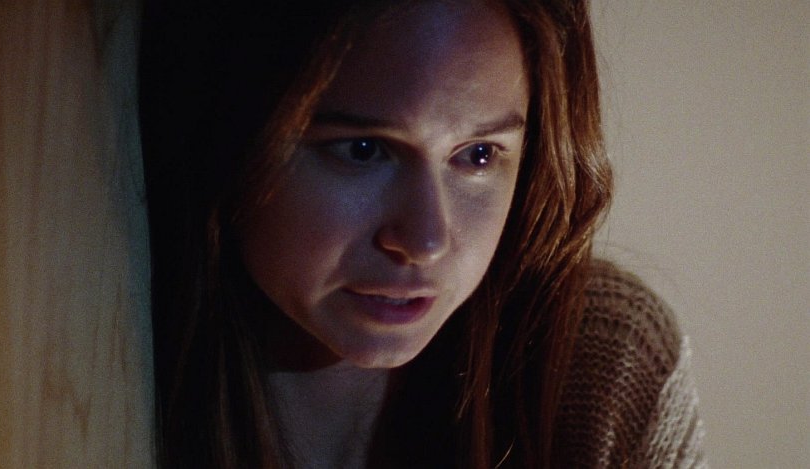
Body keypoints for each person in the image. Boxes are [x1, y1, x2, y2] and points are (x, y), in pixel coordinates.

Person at [139, 0, 707, 467]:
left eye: (478, 155)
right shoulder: (120, 350)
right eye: (363, 150)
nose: (426, 241)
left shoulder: (599, 367)